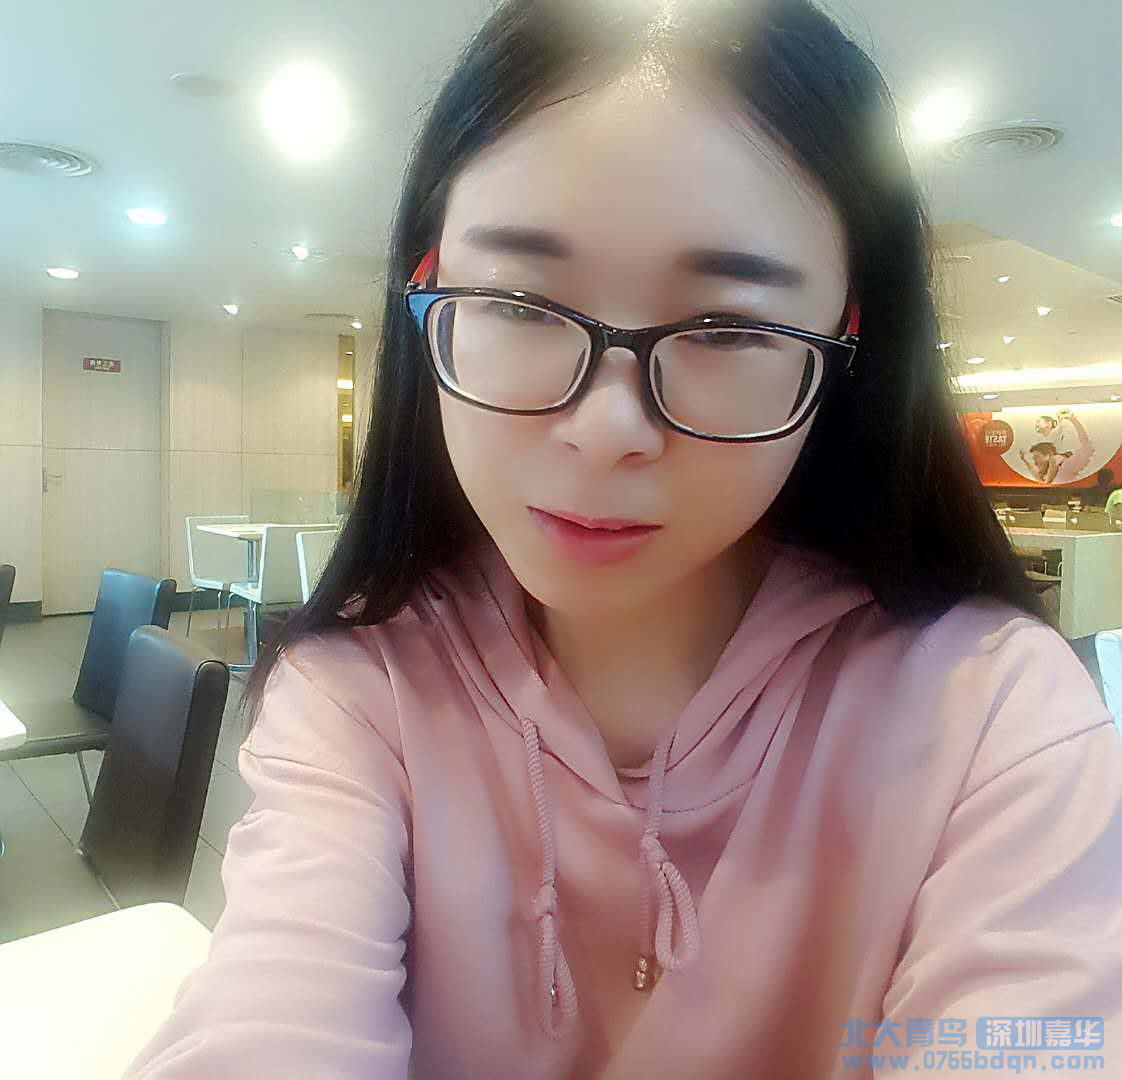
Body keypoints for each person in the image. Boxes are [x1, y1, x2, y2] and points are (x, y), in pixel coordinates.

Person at [124, 1, 1122, 1077]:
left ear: (849, 347)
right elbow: (269, 1016)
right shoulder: (360, 696)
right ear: (426, 291)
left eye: (730, 328)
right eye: (517, 302)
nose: (606, 430)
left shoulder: (992, 715)